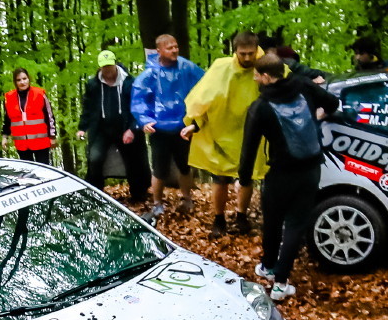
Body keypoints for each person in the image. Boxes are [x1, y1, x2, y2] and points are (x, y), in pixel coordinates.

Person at [240, 53, 339, 302]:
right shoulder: (303, 85)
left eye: (256, 75)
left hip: (280, 173)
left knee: (273, 220)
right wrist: (317, 117)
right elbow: (332, 103)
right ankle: (281, 283)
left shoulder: (260, 107)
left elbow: (249, 149)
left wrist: (244, 179)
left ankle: (269, 267)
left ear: (265, 77)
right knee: (295, 224)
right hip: (310, 169)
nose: (255, 78)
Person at [182, 31, 266, 237]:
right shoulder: (220, 68)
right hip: (221, 133)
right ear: (235, 51)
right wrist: (195, 124)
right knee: (220, 178)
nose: (247, 58)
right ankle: (219, 219)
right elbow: (203, 99)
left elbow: (288, 81)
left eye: (251, 53)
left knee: (246, 178)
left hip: (251, 134)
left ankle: (241, 216)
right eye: (242, 53)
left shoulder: (265, 67)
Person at [130, 33, 205, 222]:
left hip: (183, 126)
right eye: (169, 47)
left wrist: (196, 119)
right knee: (159, 168)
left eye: (176, 46)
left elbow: (205, 86)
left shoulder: (187, 68)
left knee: (185, 165)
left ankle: (187, 198)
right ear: (159, 51)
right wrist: (144, 120)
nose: (174, 50)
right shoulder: (150, 74)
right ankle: (157, 203)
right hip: (159, 129)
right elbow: (139, 99)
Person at [78, 49, 149, 204]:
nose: (107, 70)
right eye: (104, 67)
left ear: (115, 64)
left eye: (110, 66)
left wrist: (132, 129)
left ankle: (138, 195)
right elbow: (88, 107)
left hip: (125, 128)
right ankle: (96, 196)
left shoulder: (130, 82)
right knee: (95, 158)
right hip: (102, 130)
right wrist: (82, 127)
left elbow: (138, 107)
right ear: (100, 67)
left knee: (133, 160)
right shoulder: (93, 84)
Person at [3, 68, 56, 165]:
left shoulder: (39, 94)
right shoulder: (9, 97)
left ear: (29, 79)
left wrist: (52, 136)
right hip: (21, 144)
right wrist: (4, 137)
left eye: (24, 79)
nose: (22, 82)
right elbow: (7, 119)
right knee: (27, 171)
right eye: (19, 80)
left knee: (43, 169)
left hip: (41, 142)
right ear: (15, 82)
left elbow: (49, 116)